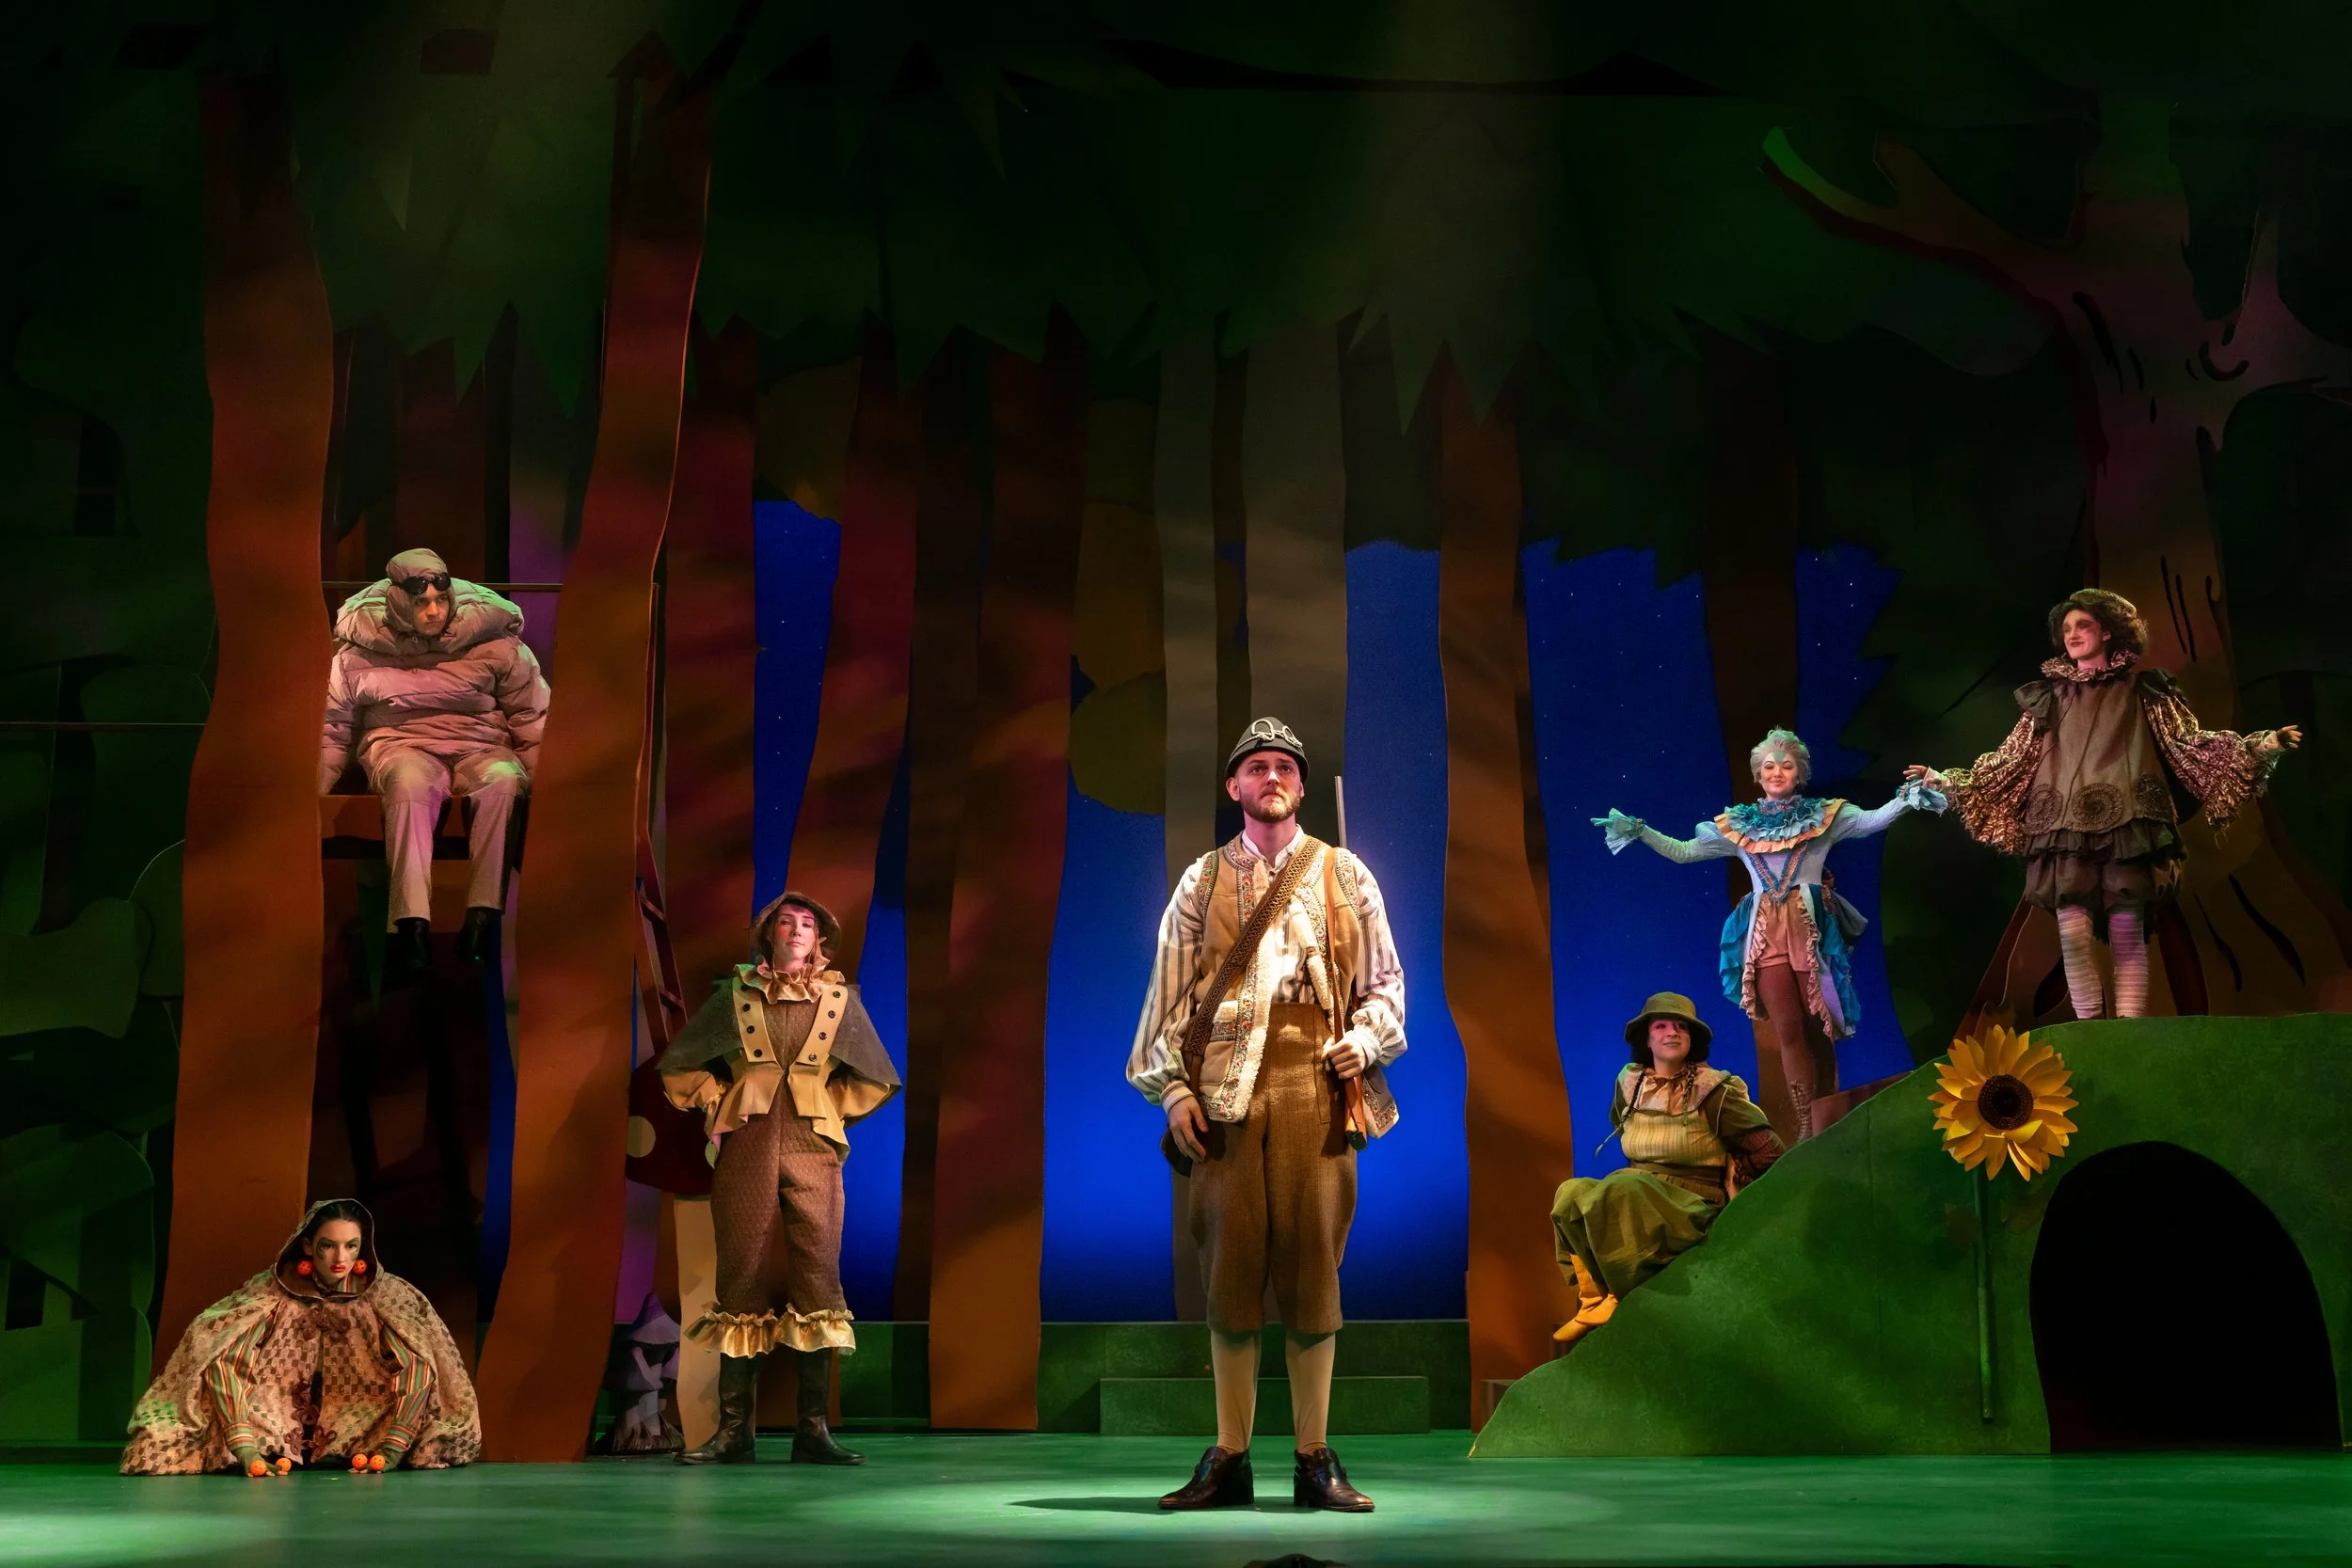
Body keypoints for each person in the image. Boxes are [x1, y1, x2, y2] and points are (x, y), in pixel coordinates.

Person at [1127, 717, 1406, 1514]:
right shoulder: (1202, 881)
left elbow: (1386, 982)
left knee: (1315, 1268)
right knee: (1230, 1270)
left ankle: (1314, 1458)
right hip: (1223, 1091)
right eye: (1257, 767)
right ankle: (1230, 1456)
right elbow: (1166, 998)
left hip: (1318, 1079)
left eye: (1285, 765)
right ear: (1234, 786)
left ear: (1301, 784)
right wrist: (1172, 1089)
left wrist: (1366, 1037)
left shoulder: (1346, 872)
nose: (1272, 776)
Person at [1905, 589, 2304, 1021]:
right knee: (2072, 931)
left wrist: (2262, 746)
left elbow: (2189, 744)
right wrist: (1946, 781)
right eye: (2067, 629)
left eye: (2084, 625)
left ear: (2108, 632)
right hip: (2062, 823)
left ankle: (2128, 1033)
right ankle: (2090, 1030)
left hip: (2129, 819)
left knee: (2127, 929)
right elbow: (2011, 758)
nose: (2073, 634)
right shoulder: (2048, 697)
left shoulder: (2144, 690)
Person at [1594, 729, 1944, 1138]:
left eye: (1787, 766)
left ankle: (1828, 1121)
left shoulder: (1825, 815)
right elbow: (1685, 851)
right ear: (1758, 775)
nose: (1777, 772)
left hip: (1808, 929)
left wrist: (1911, 795)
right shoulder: (1740, 825)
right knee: (1788, 1031)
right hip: (1765, 935)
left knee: (1819, 1027)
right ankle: (1806, 1126)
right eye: (1769, 767)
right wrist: (1641, 831)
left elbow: (1871, 821)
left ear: (1800, 774)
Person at [659, 892, 901, 1466]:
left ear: (819, 939)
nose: (795, 931)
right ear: (769, 934)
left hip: (814, 1147)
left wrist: (829, 1107)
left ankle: (812, 1431)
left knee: (818, 1273)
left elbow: (877, 1076)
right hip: (748, 1142)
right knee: (740, 1271)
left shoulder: (838, 999)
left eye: (807, 924)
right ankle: (733, 1432)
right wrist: (721, 1100)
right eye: (786, 922)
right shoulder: (735, 995)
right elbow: (681, 1064)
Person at [121, 1199, 479, 1475]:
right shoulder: (271, 1290)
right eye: (329, 1245)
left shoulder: (385, 1295)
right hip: (274, 1415)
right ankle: (257, 1451)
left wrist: (393, 1449)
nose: (340, 1258)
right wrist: (244, 1447)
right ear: (308, 1246)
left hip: (362, 1416)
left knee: (419, 1375)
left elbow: (417, 1366)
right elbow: (226, 1356)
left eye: (351, 1246)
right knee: (210, 1382)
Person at [320, 547, 549, 974]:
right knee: (408, 785)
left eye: (441, 601)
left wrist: (547, 792)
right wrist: (313, 792)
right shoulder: (356, 653)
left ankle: (482, 918)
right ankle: (411, 927)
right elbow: (333, 728)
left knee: (503, 779)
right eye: (422, 602)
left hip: (480, 745)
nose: (433, 611)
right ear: (398, 602)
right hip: (401, 744)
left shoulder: (496, 643)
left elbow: (532, 717)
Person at [1549, 993, 1785, 1348]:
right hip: (1640, 1190)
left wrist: (1738, 1185)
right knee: (1571, 1193)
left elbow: (1769, 1150)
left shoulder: (1714, 1091)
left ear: (1691, 1038)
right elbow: (1624, 1131)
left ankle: (1622, 1295)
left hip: (1692, 1202)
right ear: (1647, 1039)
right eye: (1661, 1026)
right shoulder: (1630, 1084)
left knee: (1625, 1191)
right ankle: (1593, 1300)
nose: (1671, 1032)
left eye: (1680, 1026)